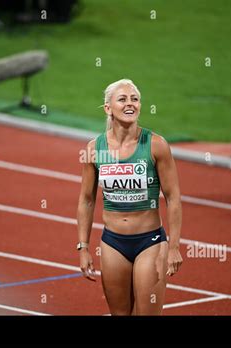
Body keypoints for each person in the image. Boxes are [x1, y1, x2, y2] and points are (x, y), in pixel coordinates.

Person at [77, 79, 183, 315]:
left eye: (134, 99)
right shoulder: (94, 149)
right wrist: (83, 247)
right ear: (108, 108)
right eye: (122, 99)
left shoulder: (156, 146)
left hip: (150, 242)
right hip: (113, 243)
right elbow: (86, 199)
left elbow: (173, 197)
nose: (130, 104)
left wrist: (174, 246)